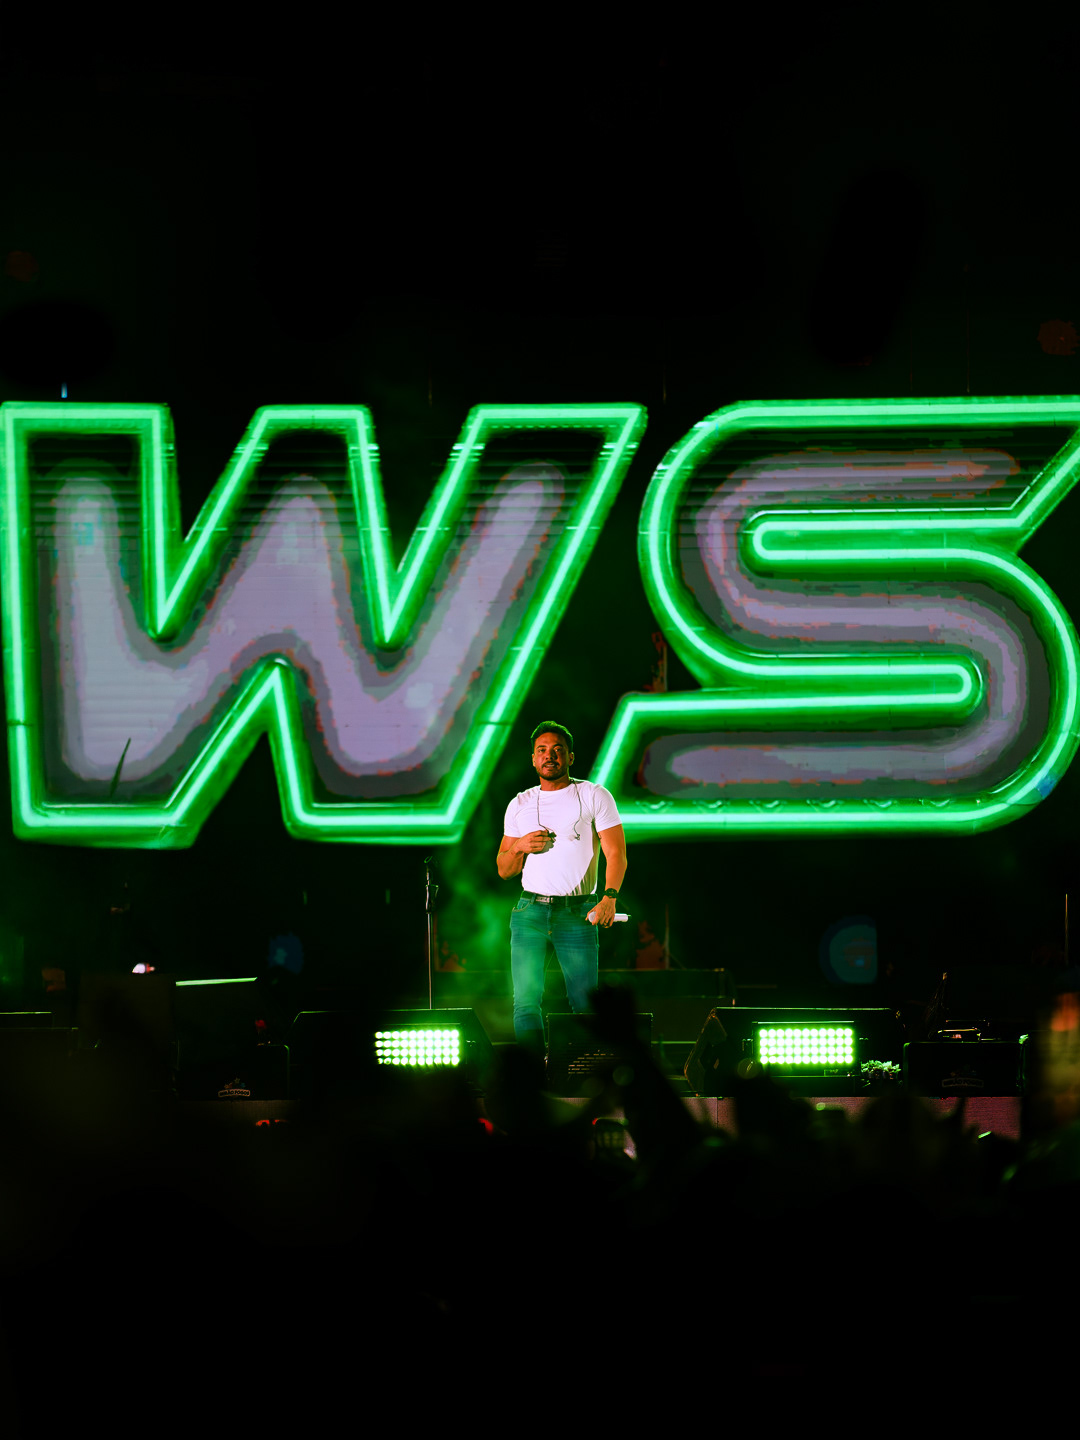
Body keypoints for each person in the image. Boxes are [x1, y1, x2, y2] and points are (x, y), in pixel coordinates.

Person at [496, 722, 627, 1053]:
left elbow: (616, 854)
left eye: (557, 749)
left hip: (577, 911)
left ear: (570, 757)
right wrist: (520, 846)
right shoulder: (520, 803)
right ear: (533, 759)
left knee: (585, 1003)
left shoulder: (593, 795)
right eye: (542, 750)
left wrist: (609, 898)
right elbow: (504, 869)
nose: (549, 755)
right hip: (530, 912)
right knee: (525, 1002)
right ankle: (533, 1076)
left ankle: (581, 1074)